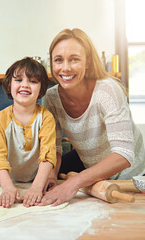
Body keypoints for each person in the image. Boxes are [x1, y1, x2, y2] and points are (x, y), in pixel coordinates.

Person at [41, 28, 145, 206]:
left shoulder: (107, 90)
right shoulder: (50, 98)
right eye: (58, 60)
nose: (65, 68)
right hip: (94, 170)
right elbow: (55, 147)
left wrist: (74, 183)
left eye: (74, 59)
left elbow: (124, 155)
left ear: (88, 62)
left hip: (133, 175)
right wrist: (51, 174)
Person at [0, 57, 57, 208]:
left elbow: (48, 155)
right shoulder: (0, 119)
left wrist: (37, 187)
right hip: (8, 181)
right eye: (18, 80)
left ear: (41, 88)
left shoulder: (46, 118)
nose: (25, 85)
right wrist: (7, 187)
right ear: (9, 85)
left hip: (37, 180)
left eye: (33, 81)